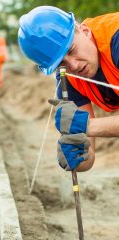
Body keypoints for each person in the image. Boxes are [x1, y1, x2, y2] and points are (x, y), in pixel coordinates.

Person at [18, 6, 119, 172]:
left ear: (84, 31)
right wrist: (76, 157)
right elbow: (89, 155)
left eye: (72, 50)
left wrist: (86, 126)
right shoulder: (69, 79)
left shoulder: (115, 39)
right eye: (61, 63)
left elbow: (86, 126)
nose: (74, 65)